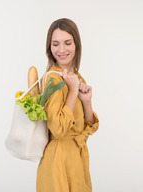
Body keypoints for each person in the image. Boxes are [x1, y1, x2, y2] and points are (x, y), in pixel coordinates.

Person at [36, 18, 99, 192]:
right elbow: (58, 128)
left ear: (76, 44)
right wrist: (72, 91)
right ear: (49, 47)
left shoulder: (77, 78)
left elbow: (87, 128)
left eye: (67, 43)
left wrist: (86, 102)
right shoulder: (53, 79)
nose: (62, 50)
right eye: (55, 44)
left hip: (76, 160)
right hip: (58, 162)